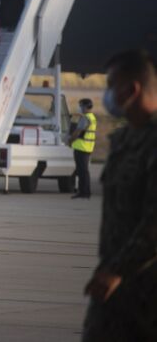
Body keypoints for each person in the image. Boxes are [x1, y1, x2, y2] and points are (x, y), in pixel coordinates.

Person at [82, 49, 157, 341]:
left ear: (132, 89)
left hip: (146, 287)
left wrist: (117, 269)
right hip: (115, 281)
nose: (107, 95)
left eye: (111, 85)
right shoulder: (125, 139)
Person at [69, 98, 96, 200]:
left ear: (85, 106)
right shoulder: (91, 117)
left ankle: (83, 192)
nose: (79, 108)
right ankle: (85, 192)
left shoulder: (85, 118)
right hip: (87, 148)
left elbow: (78, 131)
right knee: (84, 171)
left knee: (82, 171)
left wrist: (71, 140)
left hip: (81, 148)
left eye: (80, 105)